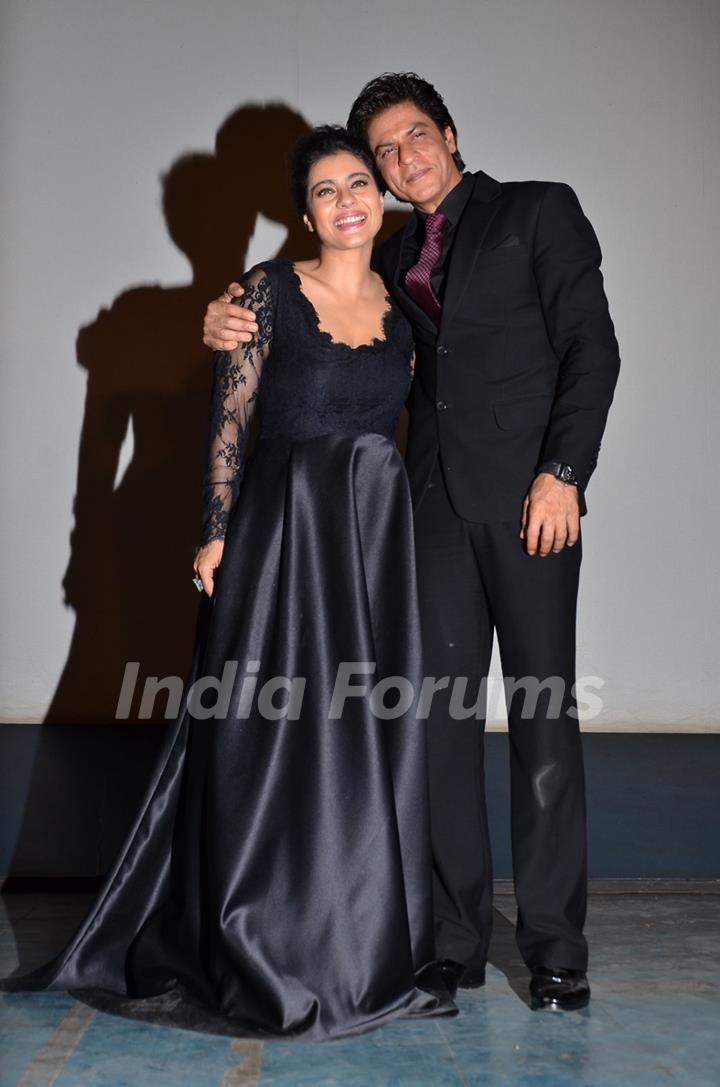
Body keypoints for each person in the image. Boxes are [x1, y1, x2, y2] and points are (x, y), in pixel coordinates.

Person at [1, 126, 456, 1039]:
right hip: (282, 534)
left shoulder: (410, 307)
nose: (346, 201)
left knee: (357, 736)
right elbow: (230, 418)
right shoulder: (265, 293)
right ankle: (261, 940)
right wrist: (215, 533)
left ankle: (353, 938)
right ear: (303, 213)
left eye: (358, 182)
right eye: (324, 191)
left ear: (383, 194)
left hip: (373, 546)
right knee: (261, 735)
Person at [203, 73, 621, 1012]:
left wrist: (565, 473)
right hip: (425, 514)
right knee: (434, 725)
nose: (402, 159)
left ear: (450, 134)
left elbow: (594, 347)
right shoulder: (387, 254)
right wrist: (225, 315)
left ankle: (555, 946)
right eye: (383, 151)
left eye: (414, 137)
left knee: (545, 717)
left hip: (531, 505)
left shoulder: (539, 211)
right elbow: (312, 313)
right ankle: (453, 937)